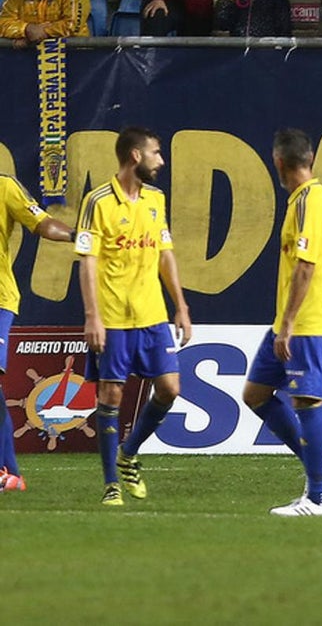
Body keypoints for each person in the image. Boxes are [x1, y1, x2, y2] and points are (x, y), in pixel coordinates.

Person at [76, 126, 193, 507]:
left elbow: (165, 254)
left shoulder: (156, 199)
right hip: (112, 318)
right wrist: (92, 317)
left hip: (152, 315)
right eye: (156, 153)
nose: (162, 161)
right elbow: (87, 262)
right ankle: (111, 484)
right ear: (136, 156)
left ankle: (128, 453)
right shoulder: (97, 201)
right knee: (111, 395)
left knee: (170, 389)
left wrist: (181, 306)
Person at [241, 129, 322, 517]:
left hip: (306, 324)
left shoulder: (311, 202)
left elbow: (305, 268)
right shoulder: (302, 200)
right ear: (310, 157)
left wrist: (287, 325)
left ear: (277, 161)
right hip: (289, 323)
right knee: (255, 394)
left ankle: (318, 499)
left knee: (306, 401)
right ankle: (318, 464)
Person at [0, 177, 75, 493]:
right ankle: (11, 474)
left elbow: (42, 223)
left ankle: (4, 471)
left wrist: (76, 235)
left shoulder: (5, 188)